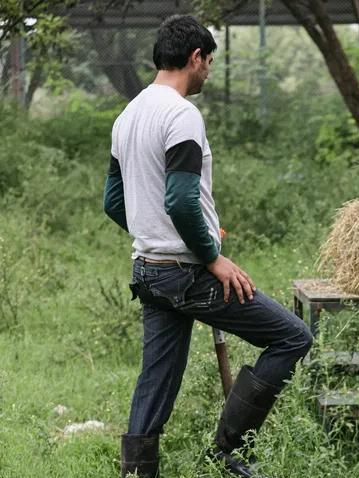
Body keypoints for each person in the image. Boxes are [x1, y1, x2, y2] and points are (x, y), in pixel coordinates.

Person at [103, 15, 313, 478]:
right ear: (195, 57)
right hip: (186, 272)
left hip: (149, 269)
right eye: (210, 62)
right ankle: (226, 454)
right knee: (292, 336)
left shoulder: (128, 115)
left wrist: (159, 234)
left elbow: (114, 202)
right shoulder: (181, 115)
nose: (209, 71)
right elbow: (179, 198)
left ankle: (136, 473)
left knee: (156, 377)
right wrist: (211, 256)